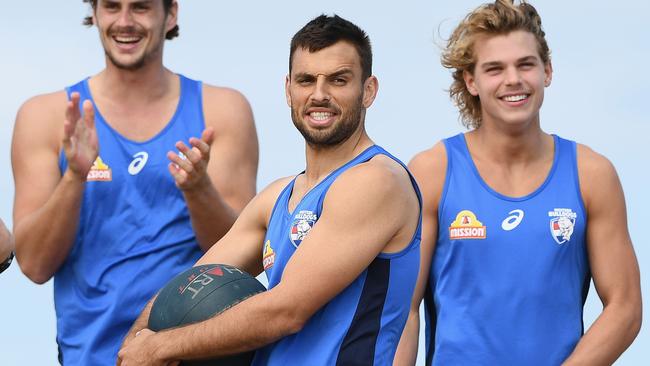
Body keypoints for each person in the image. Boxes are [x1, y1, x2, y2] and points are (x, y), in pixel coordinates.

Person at [117, 14, 421, 366]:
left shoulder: (377, 181)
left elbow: (286, 311)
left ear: (368, 90)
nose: (319, 95)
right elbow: (188, 286)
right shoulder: (277, 198)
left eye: (338, 80)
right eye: (306, 80)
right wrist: (137, 340)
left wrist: (159, 347)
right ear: (288, 89)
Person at [395, 1, 642, 365]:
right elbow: (404, 309)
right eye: (494, 69)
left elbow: (626, 307)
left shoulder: (592, 174)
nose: (513, 79)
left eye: (525, 64)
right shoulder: (433, 171)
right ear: (471, 81)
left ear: (547, 70)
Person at [11, 0, 258, 364]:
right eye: (112, 6)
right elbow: (33, 264)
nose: (124, 22)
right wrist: (75, 177)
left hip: (193, 354)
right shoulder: (44, 116)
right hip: (90, 355)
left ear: (170, 14)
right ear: (94, 13)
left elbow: (244, 260)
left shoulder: (222, 110)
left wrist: (197, 188)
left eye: (140, 7)